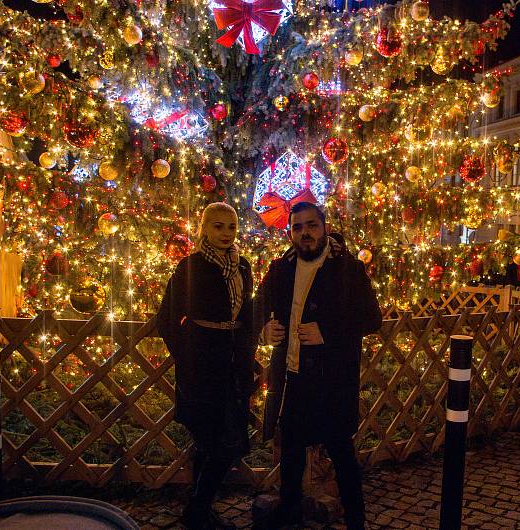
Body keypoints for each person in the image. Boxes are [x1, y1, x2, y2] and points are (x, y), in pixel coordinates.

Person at [254, 202, 382, 530]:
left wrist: (326, 331)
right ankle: (290, 512)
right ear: (290, 232)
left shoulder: (347, 268)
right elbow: (257, 309)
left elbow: (371, 318)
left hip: (332, 379)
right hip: (294, 378)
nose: (305, 233)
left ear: (324, 228)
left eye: (311, 225)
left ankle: (356, 520)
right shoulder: (280, 268)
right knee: (292, 451)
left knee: (342, 453)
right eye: (298, 227)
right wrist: (264, 331)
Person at [156, 202, 256, 530]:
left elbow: (247, 316)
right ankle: (198, 510)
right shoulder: (191, 266)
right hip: (201, 366)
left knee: (223, 441)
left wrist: (247, 354)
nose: (226, 233)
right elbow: (168, 317)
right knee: (212, 441)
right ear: (204, 229)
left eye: (231, 227)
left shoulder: (242, 267)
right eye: (218, 226)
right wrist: (186, 353)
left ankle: (198, 510)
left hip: (233, 366)